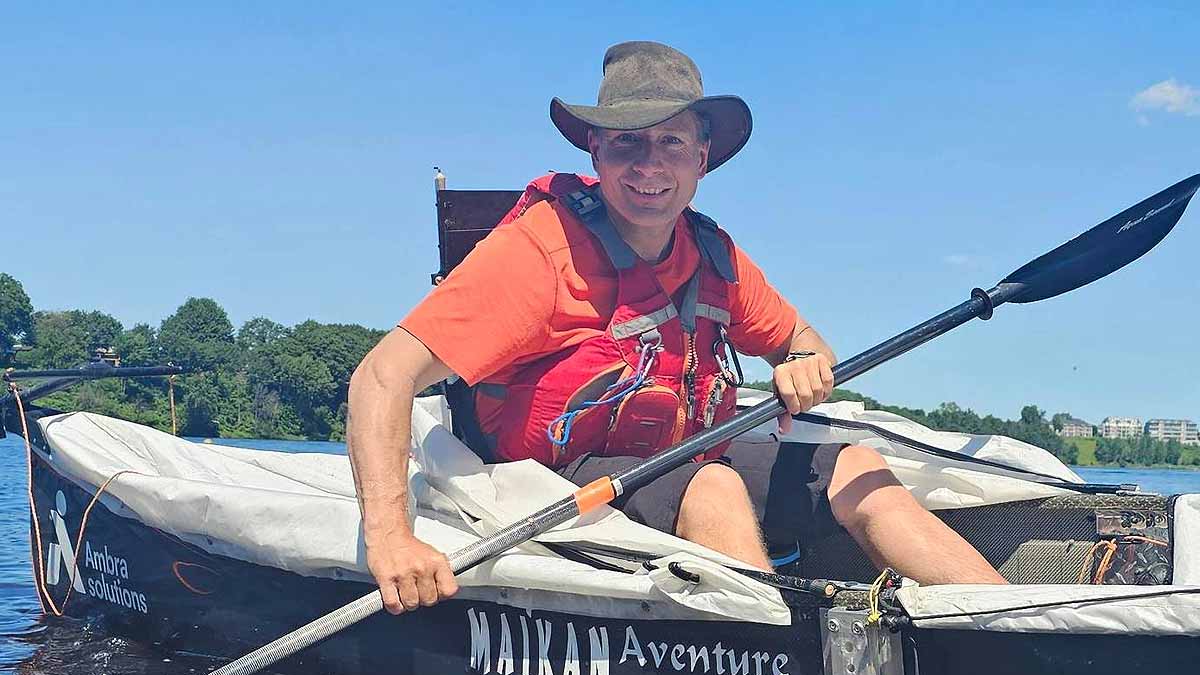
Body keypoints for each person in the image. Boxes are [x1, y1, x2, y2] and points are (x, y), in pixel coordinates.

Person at [348, 41, 1006, 615]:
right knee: (713, 485)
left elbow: (805, 342)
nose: (649, 166)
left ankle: (1007, 623)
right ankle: (775, 664)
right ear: (597, 151)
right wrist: (392, 537)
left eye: (671, 143)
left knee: (858, 465)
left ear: (701, 158)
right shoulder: (537, 256)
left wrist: (805, 361)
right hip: (558, 473)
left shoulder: (714, 256)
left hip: (680, 454)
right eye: (628, 142)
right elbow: (382, 377)